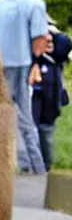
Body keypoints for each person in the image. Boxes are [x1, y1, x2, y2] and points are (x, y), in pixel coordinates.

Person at [0, 0, 47, 175]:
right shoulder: (35, 5)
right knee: (23, 116)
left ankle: (21, 162)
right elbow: (39, 40)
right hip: (20, 65)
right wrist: (37, 66)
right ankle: (35, 166)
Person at [31, 25, 72, 171]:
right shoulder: (33, 56)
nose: (47, 44)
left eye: (50, 42)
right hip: (35, 95)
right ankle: (36, 165)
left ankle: (46, 166)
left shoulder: (57, 55)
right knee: (33, 129)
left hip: (51, 97)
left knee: (46, 130)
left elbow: (65, 44)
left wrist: (52, 32)